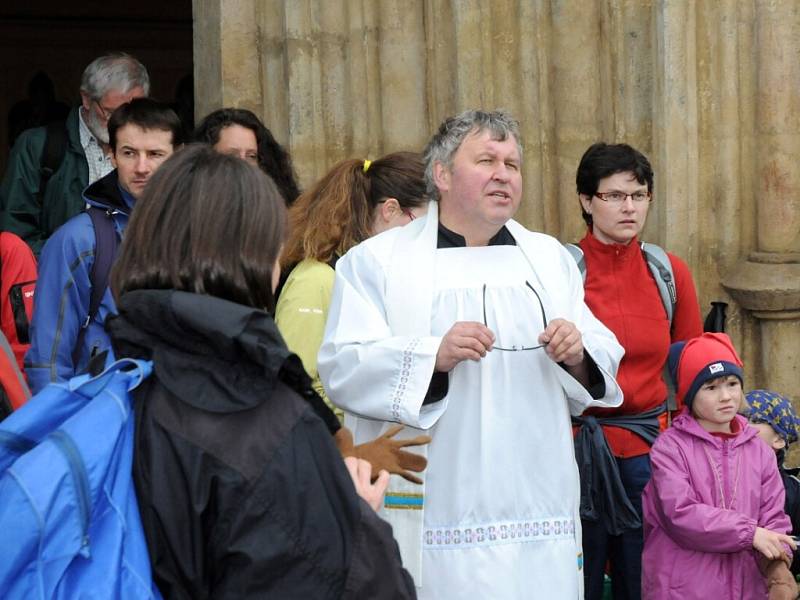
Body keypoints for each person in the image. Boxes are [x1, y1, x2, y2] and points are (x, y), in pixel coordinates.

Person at [318, 109, 625, 599]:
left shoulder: (549, 260)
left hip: (535, 500)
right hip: (440, 496)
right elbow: (343, 364)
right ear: (441, 175)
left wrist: (576, 352)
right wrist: (431, 356)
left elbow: (602, 352)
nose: (504, 174)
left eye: (513, 164)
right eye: (486, 160)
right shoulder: (377, 262)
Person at [106, 144, 415, 599]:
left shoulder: (120, 382)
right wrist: (357, 522)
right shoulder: (268, 426)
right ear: (251, 258)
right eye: (275, 248)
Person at [571, 142, 703, 599]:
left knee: (645, 576)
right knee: (578, 576)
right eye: (614, 195)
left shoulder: (668, 271)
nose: (629, 207)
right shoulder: (562, 271)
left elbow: (692, 369)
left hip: (650, 452)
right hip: (575, 450)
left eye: (639, 195)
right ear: (587, 201)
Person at [25, 98, 181, 394]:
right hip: (100, 415)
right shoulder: (78, 240)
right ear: (111, 155)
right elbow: (48, 359)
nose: (142, 167)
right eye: (129, 153)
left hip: (177, 418)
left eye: (156, 154)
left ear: (179, 157)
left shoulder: (197, 234)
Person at [642, 333, 797, 599]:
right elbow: (680, 514)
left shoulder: (759, 450)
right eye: (711, 387)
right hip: (683, 589)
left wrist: (777, 569)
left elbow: (773, 519)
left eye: (732, 383)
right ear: (689, 395)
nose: (726, 396)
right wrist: (751, 534)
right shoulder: (670, 448)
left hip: (747, 588)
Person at [277, 151, 428, 415]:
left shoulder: (372, 279)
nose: (427, 240)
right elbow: (296, 386)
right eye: (423, 225)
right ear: (390, 210)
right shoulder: (316, 280)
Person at [0, 53, 149, 254]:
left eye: (132, 113)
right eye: (110, 112)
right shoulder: (37, 147)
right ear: (86, 99)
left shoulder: (154, 151)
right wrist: (71, 259)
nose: (121, 123)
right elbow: (16, 233)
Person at [194, 107, 300, 204]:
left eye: (251, 156)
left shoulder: (276, 213)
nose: (243, 162)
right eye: (232, 154)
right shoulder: (191, 211)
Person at [746, 389, 800, 575]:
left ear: (778, 439)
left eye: (755, 420)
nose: (742, 424)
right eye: (739, 416)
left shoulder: (791, 491)